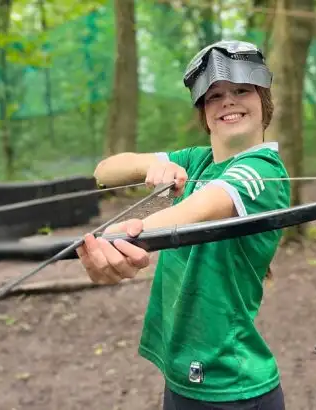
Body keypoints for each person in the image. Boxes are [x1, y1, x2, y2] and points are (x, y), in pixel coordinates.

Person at [75, 40, 290, 410]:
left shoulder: (263, 171)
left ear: (263, 103)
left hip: (231, 385)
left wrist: (120, 237)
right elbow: (103, 172)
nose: (228, 101)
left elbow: (203, 206)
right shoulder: (197, 160)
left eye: (242, 90)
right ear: (204, 114)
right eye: (214, 96)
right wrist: (151, 166)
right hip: (184, 375)